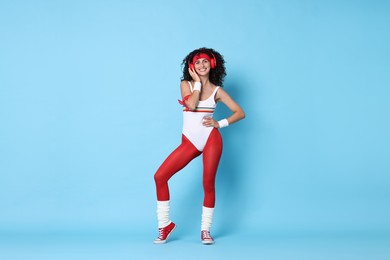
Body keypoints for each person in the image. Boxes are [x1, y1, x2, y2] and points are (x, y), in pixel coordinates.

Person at [153, 47, 245, 245]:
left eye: (205, 61)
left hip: (211, 138)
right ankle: (165, 225)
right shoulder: (186, 84)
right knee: (160, 177)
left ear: (212, 64)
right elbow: (192, 105)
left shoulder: (218, 91)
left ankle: (205, 230)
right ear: (191, 66)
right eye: (197, 62)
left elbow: (240, 112)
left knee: (208, 183)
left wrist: (219, 124)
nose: (201, 65)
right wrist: (196, 85)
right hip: (190, 141)